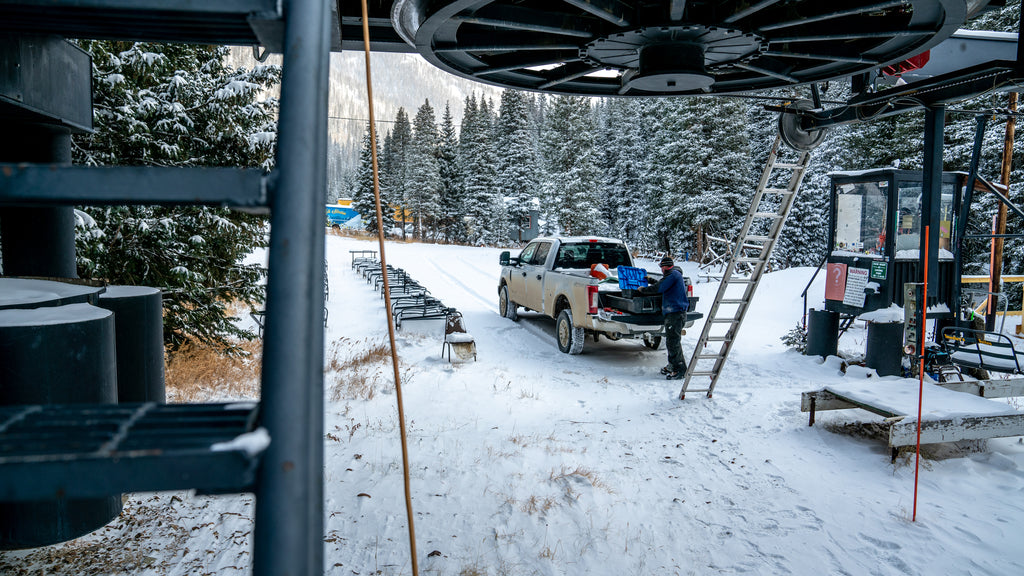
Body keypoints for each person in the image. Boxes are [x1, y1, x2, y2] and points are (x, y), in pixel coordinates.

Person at [644, 255, 690, 380]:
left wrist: (643, 290)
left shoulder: (673, 275)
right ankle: (672, 365)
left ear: (665, 267)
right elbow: (663, 284)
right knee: (671, 341)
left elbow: (659, 288)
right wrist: (652, 280)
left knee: (673, 342)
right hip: (674, 313)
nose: (661, 270)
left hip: (675, 313)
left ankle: (680, 369)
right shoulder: (673, 275)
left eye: (662, 267)